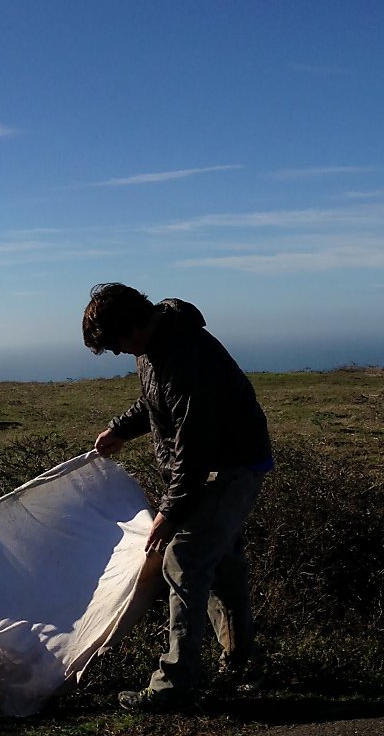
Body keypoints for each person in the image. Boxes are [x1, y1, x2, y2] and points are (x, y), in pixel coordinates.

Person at [82, 282, 275, 711]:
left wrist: (169, 513)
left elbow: (195, 444)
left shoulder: (187, 355)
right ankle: (244, 667)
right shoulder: (154, 347)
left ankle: (175, 686)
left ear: (133, 323)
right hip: (215, 466)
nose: (118, 352)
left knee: (183, 561)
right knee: (222, 564)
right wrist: (120, 429)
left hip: (229, 468)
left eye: (117, 342)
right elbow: (156, 403)